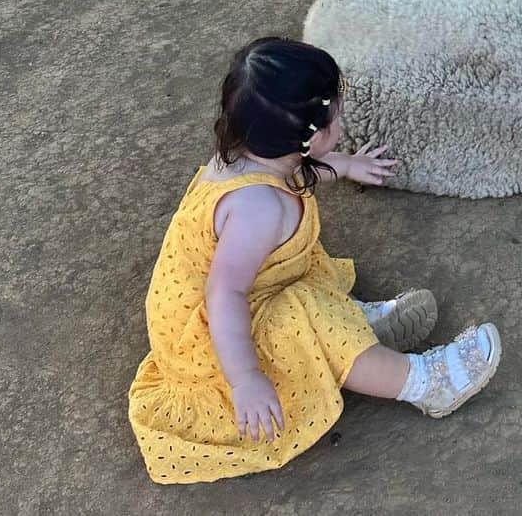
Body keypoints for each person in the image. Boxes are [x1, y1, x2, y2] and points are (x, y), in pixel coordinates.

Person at [128, 37, 500, 484]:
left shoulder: (252, 156)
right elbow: (224, 293)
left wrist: (344, 166)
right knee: (307, 311)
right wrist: (245, 379)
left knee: (303, 263)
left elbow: (299, 169)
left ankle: (352, 332)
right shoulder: (257, 209)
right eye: (336, 118)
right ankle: (424, 383)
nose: (341, 122)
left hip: (246, 291)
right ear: (309, 136)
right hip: (216, 339)